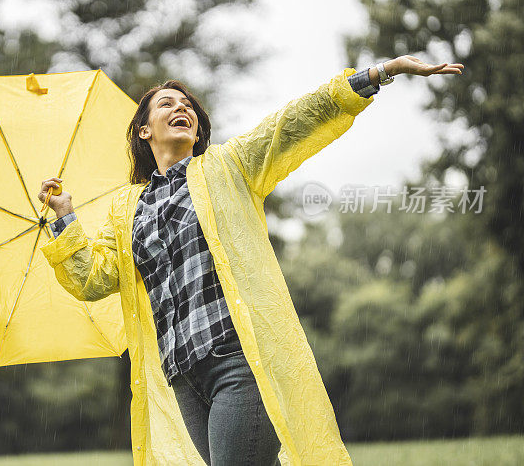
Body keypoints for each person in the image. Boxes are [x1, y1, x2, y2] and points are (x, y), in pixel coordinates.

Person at [38, 56, 464, 466]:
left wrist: (380, 72)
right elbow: (94, 279)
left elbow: (293, 123)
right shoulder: (126, 209)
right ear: (144, 131)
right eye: (166, 104)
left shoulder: (227, 167)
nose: (181, 107)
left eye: (188, 105)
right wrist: (65, 217)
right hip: (184, 377)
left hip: (239, 361)